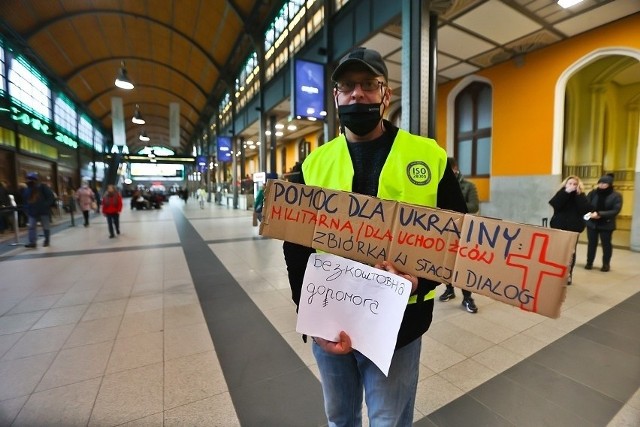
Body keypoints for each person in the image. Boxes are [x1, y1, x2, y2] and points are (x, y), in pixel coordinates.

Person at [282, 47, 467, 426]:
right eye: (348, 86)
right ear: (335, 97)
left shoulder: (428, 156)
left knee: (389, 421)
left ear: (387, 94)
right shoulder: (314, 164)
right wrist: (309, 315)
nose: (357, 95)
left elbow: (456, 234)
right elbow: (296, 244)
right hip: (331, 317)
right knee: (340, 418)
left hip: (400, 321)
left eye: (369, 85)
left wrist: (423, 280)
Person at [438, 157, 480, 312]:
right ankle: (449, 290)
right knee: (447, 263)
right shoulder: (441, 184)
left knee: (463, 265)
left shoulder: (468, 186)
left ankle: (467, 297)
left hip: (464, 231)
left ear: (455, 168)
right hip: (446, 230)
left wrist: (453, 207)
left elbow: (474, 205)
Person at [548, 175, 591, 284]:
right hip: (559, 226)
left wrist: (578, 195)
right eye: (570, 183)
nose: (572, 186)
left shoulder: (581, 196)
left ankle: (568, 274)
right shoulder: (561, 193)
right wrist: (566, 192)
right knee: (558, 251)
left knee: (571, 252)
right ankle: (556, 272)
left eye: (574, 184)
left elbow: (586, 209)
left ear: (578, 186)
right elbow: (555, 204)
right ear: (565, 184)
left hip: (573, 228)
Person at [584, 174, 623, 272]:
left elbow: (616, 210)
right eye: (600, 183)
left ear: (610, 184)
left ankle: (606, 264)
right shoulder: (593, 193)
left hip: (606, 224)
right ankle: (589, 262)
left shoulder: (616, 195)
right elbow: (586, 205)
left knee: (606, 245)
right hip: (592, 223)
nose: (601, 185)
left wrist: (600, 214)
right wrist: (591, 214)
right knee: (591, 244)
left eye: (604, 183)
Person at [22, 172, 55, 248]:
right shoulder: (27, 189)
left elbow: (50, 197)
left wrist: (45, 205)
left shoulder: (42, 187)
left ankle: (46, 240)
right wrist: (26, 209)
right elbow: (25, 200)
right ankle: (32, 242)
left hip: (43, 211)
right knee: (31, 227)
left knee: (45, 226)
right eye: (28, 179)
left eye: (31, 179)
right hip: (32, 211)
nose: (29, 181)